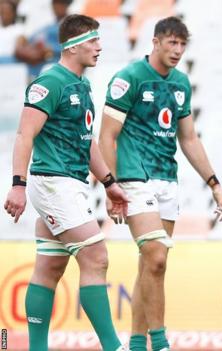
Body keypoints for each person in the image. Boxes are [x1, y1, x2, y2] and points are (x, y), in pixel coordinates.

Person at [99, 16, 222, 351]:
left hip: (167, 180)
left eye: (182, 44)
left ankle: (136, 344)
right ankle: (160, 343)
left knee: (152, 265)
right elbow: (107, 136)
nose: (178, 50)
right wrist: (109, 185)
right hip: (133, 179)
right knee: (156, 257)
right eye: (172, 42)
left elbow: (188, 139)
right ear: (155, 42)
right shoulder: (128, 78)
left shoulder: (181, 83)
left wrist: (213, 181)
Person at [3, 14, 128, 351]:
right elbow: (24, 134)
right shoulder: (50, 83)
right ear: (72, 46)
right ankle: (113, 347)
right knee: (96, 256)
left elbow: (87, 141)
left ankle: (36, 348)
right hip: (53, 183)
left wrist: (109, 182)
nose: (99, 47)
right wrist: (18, 184)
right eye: (92, 41)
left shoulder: (82, 85)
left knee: (49, 265)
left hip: (72, 184)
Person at [14, 0, 72, 77]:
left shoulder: (72, 25)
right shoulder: (48, 26)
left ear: (67, 5)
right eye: (55, 3)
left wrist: (51, 49)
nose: (57, 6)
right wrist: (22, 42)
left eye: (61, 3)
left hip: (57, 65)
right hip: (36, 66)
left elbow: (75, 46)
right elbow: (31, 40)